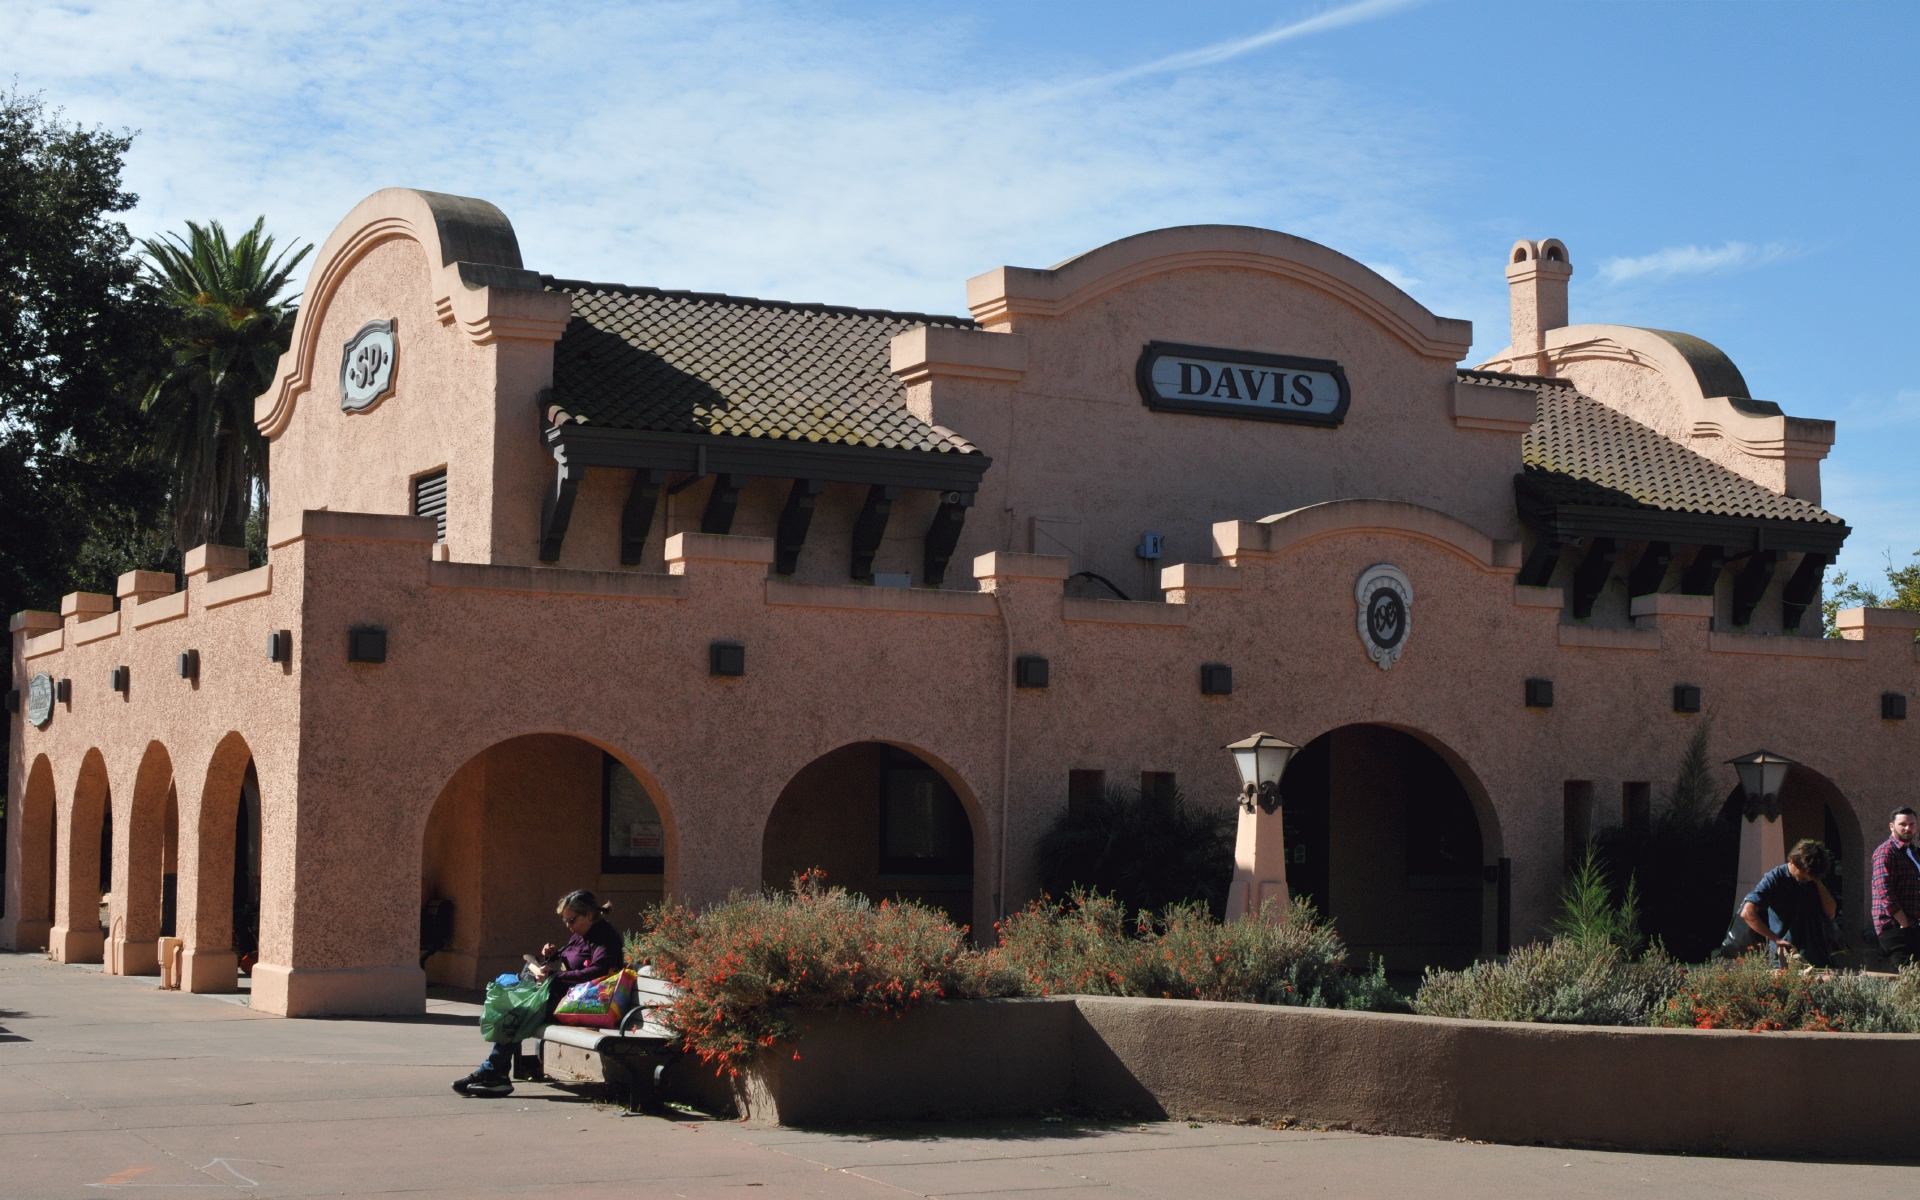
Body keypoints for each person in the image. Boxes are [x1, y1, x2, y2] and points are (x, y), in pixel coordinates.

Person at [453, 889, 623, 1098]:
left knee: (520, 1013)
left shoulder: (604, 937)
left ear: (589, 915)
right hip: (559, 994)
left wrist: (554, 976)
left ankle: (493, 1074)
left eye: (571, 920)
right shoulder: (581, 934)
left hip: (579, 1002)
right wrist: (553, 954)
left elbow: (600, 971)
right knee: (518, 1005)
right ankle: (494, 1074)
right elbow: (572, 957)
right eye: (564, 921)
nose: (568, 926)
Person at [1735, 840, 1837, 968]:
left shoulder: (1814, 876)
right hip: (1786, 960)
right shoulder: (1774, 879)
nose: (1807, 880)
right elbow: (1747, 913)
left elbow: (1830, 911)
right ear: (1793, 861)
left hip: (1820, 957)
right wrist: (1776, 939)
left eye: (1810, 877)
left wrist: (1817, 881)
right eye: (1804, 877)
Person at [1871, 807, 1920, 969]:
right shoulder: (1886, 852)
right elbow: (1884, 890)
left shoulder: (1913, 852)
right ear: (1892, 826)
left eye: (1912, 824)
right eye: (1903, 824)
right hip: (1895, 928)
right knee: (1906, 978)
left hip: (1913, 927)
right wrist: (1903, 921)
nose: (1908, 828)